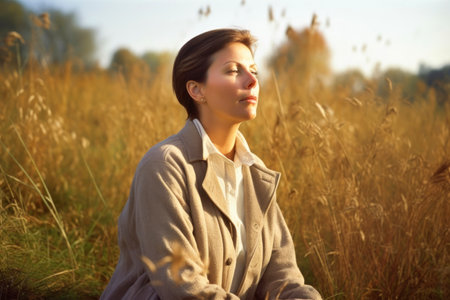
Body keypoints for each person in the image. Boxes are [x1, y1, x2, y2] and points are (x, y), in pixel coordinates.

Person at [101, 28, 322, 300]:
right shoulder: (164, 166)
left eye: (254, 70)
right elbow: (182, 288)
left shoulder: (256, 174)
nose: (252, 80)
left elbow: (284, 281)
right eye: (233, 70)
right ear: (196, 90)